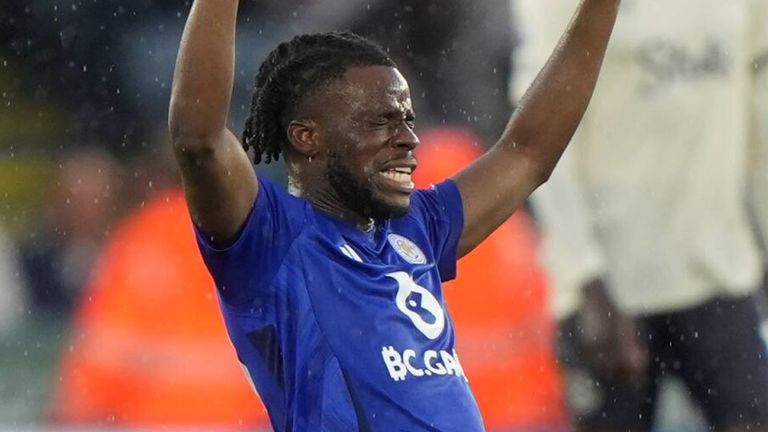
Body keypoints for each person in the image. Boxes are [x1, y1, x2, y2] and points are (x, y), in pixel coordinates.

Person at [168, 0, 620, 429]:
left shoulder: (417, 228)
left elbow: (528, 154)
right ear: (308, 137)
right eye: (381, 121)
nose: (408, 139)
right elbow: (199, 141)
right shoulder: (273, 241)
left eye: (407, 119)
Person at [510, 1, 768, 431]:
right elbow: (537, 131)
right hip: (613, 291)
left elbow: (758, 101)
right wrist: (583, 276)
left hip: (718, 270)